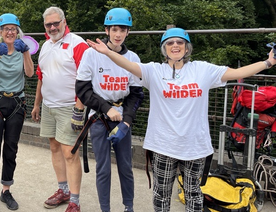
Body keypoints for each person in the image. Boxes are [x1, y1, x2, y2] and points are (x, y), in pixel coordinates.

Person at [87, 27, 276, 212]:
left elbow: (238, 73)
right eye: (170, 42)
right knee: (161, 195)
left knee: (194, 194)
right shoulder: (154, 71)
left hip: (195, 146)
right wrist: (107, 53)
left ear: (187, 48)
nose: (175, 45)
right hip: (163, 145)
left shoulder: (203, 70)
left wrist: (268, 62)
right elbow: (127, 65)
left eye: (180, 42)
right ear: (164, 48)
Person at [75, 8, 144, 212]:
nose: (118, 34)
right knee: (103, 168)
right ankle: (105, 209)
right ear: (107, 30)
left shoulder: (132, 58)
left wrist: (126, 121)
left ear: (128, 32)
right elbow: (82, 88)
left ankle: (128, 207)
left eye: (123, 30)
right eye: (114, 29)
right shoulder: (91, 54)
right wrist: (106, 108)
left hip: (122, 119)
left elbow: (136, 94)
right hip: (98, 117)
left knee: (125, 167)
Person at [31, 6, 88, 212]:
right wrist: (37, 104)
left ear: (64, 21)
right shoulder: (45, 46)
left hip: (69, 107)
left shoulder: (77, 44)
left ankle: (75, 201)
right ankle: (63, 190)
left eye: (56, 23)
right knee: (54, 147)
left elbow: (85, 79)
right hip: (49, 106)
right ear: (44, 26)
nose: (53, 27)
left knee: (70, 153)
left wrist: (78, 109)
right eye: (49, 24)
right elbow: (41, 77)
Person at [0, 13, 34, 212]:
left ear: (18, 32)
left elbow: (29, 73)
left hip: (17, 102)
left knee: (11, 148)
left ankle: (6, 190)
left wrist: (26, 52)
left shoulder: (22, 50)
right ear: (0, 32)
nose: (10, 32)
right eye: (6, 29)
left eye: (14, 29)